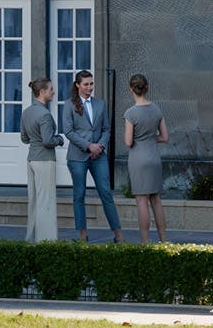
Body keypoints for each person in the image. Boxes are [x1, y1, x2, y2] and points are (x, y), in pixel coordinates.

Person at [64, 70, 120, 242]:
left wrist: (100, 147)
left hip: (99, 156)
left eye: (91, 84)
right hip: (77, 157)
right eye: (86, 84)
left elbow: (106, 129)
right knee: (79, 195)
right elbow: (69, 131)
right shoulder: (68, 105)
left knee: (106, 193)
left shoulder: (100, 104)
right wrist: (89, 146)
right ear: (77, 85)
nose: (89, 87)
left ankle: (119, 236)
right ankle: (82, 237)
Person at [123, 72, 171, 243]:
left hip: (138, 159)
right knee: (156, 200)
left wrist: (140, 138)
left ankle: (145, 241)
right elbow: (165, 137)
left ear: (131, 90)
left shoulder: (131, 113)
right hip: (154, 158)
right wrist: (150, 137)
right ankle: (164, 240)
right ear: (147, 88)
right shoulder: (157, 109)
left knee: (141, 201)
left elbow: (128, 142)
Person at [19, 75, 63, 242]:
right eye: (51, 89)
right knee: (47, 202)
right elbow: (48, 141)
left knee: (34, 202)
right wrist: (59, 139)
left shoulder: (27, 112)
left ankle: (31, 239)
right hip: (44, 160)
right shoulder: (44, 114)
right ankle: (47, 241)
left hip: (31, 159)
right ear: (42, 91)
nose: (53, 92)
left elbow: (24, 139)